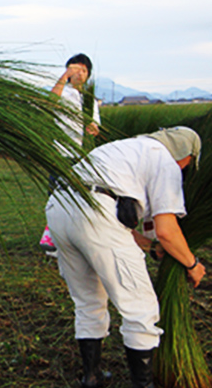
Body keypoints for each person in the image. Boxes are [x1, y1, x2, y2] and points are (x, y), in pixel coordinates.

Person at [45, 126, 205, 388]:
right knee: (140, 308)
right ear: (185, 156)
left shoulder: (125, 149)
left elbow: (114, 223)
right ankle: (143, 385)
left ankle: (91, 377)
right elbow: (166, 230)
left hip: (58, 208)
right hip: (95, 215)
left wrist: (150, 248)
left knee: (88, 301)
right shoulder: (165, 161)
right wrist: (192, 264)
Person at [40, 53, 101, 254]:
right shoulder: (63, 92)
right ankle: (53, 237)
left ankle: (76, 238)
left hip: (82, 153)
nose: (80, 74)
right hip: (61, 151)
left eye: (84, 70)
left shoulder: (89, 98)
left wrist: (93, 128)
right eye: (75, 69)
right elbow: (50, 101)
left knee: (81, 195)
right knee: (57, 193)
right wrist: (64, 77)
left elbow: (95, 124)